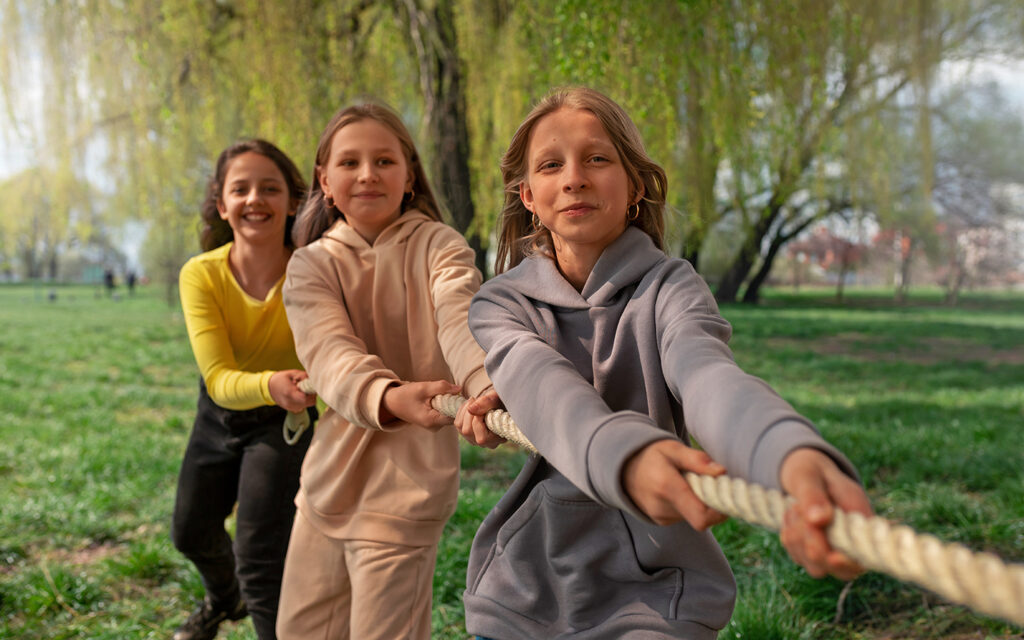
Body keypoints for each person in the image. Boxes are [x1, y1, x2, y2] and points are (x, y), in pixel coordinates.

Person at [456, 87, 874, 640]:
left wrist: (784, 451)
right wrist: (628, 457)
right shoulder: (500, 304)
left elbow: (707, 376)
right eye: (552, 165)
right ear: (528, 195)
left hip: (658, 592)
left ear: (635, 187)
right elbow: (546, 390)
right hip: (526, 589)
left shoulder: (672, 288)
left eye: (597, 158)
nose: (574, 178)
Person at [276, 102, 497, 640]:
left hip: (407, 490)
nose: (367, 174)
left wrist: (484, 384)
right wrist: (391, 397)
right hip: (325, 485)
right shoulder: (310, 264)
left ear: (410, 175)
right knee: (298, 631)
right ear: (325, 181)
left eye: (384, 161)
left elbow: (459, 318)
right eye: (349, 162)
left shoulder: (441, 246)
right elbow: (329, 352)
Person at [173, 139, 317, 640]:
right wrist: (269, 383)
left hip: (286, 421)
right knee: (190, 532)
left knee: (260, 558)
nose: (255, 199)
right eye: (240, 189)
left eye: (269, 188)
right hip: (219, 413)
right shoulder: (201, 274)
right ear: (221, 204)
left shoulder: (315, 269)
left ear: (293, 201)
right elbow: (218, 378)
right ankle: (223, 599)